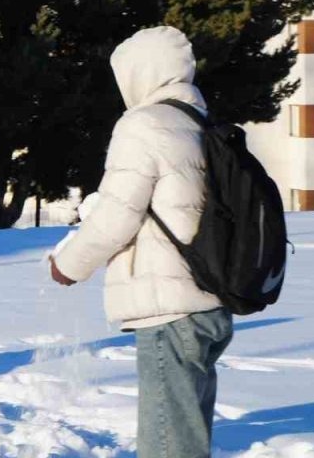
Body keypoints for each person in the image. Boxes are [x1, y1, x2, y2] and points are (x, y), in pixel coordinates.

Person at [49, 26, 233, 458]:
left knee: (168, 440)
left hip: (168, 305)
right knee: (188, 433)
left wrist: (69, 265)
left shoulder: (144, 124)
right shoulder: (199, 123)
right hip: (210, 301)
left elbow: (117, 216)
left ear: (140, 73)